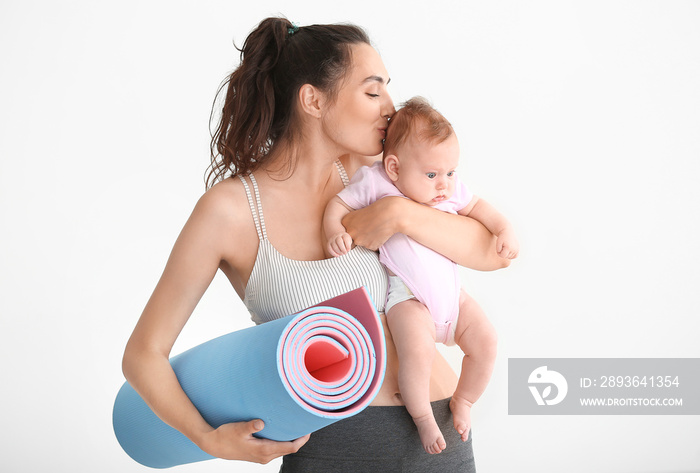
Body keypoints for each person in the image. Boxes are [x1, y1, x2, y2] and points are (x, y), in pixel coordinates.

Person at [121, 16, 510, 472]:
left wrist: (400, 214)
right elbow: (143, 355)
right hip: (330, 452)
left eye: (388, 88)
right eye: (372, 91)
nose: (390, 107)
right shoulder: (230, 212)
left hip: (440, 437)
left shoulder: (377, 175)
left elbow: (489, 252)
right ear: (312, 99)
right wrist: (209, 438)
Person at [323, 97, 518, 454]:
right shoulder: (377, 182)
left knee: (486, 342)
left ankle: (464, 400)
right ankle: (424, 419)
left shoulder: (446, 188)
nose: (444, 184)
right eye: (432, 175)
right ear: (394, 167)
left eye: (450, 172)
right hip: (409, 299)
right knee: (417, 353)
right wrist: (333, 230)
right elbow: (339, 204)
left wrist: (503, 229)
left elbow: (477, 207)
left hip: (454, 300)